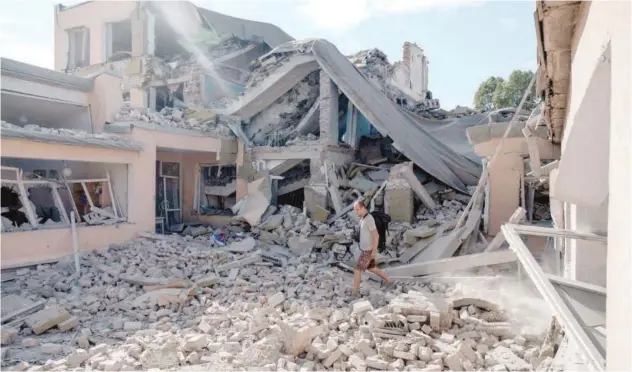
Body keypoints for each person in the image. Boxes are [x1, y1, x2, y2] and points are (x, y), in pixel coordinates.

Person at [353, 200, 391, 296]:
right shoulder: (363, 218)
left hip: (368, 250)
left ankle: (355, 293)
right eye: (355, 210)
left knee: (357, 270)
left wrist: (374, 251)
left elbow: (376, 235)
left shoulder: (369, 219)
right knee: (372, 268)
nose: (356, 212)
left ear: (363, 208)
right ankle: (389, 281)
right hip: (365, 249)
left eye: (357, 210)